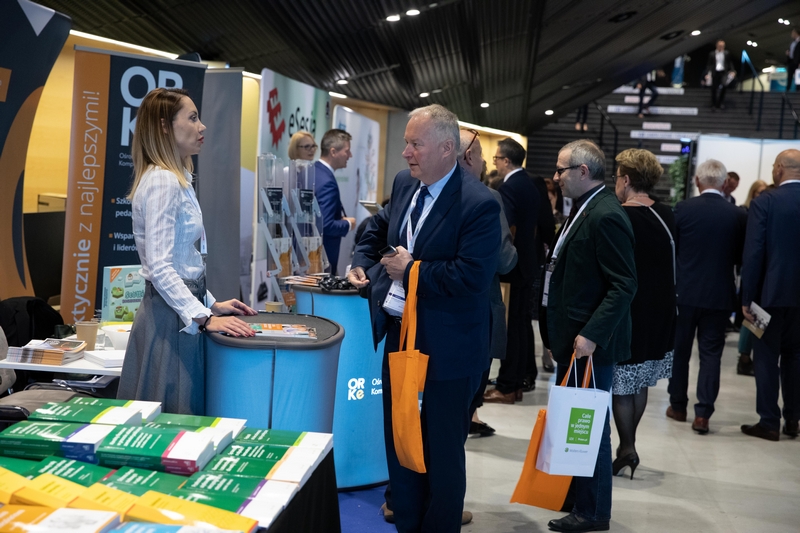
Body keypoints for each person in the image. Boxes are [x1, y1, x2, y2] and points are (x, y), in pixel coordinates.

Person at [348, 104, 500, 532]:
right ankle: (407, 521)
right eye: (406, 143)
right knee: (401, 442)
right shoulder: (405, 184)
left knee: (441, 453)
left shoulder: (479, 204)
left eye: (415, 144)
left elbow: (471, 276)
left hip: (450, 350)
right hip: (401, 339)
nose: (406, 153)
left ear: (447, 149)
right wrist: (361, 260)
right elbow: (378, 227)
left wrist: (412, 271)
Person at [118, 88, 256, 415]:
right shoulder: (163, 181)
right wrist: (204, 317)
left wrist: (211, 303)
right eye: (192, 118)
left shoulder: (176, 178)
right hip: (171, 323)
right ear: (164, 126)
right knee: (172, 424)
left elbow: (183, 261)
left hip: (178, 317)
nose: (202, 126)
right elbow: (160, 268)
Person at [543, 139, 637, 533]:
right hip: (575, 340)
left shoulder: (605, 214)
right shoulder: (586, 207)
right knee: (577, 423)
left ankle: (593, 512)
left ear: (583, 171)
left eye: (561, 169)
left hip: (589, 344)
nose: (556, 177)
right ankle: (578, 499)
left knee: (590, 428)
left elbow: (624, 284)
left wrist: (592, 335)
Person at [667, 159, 747, 434]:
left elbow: (672, 251)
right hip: (719, 295)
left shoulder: (683, 209)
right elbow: (741, 257)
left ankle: (678, 406)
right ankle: (703, 415)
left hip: (685, 293)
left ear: (697, 181)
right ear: (724, 183)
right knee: (711, 355)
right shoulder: (737, 215)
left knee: (680, 351)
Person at [611, 149, 676, 479]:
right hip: (660, 310)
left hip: (629, 310)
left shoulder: (620, 216)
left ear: (626, 179)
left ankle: (627, 447)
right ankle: (629, 445)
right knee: (639, 380)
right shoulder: (667, 213)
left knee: (622, 382)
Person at [458, 128, 517, 437]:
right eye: (483, 156)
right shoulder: (488, 197)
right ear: (470, 157)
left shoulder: (420, 191)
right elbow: (505, 260)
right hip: (478, 312)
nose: (485, 163)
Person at [741, 149, 800, 441]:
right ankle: (793, 419)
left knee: (764, 357)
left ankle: (769, 421)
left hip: (766, 296)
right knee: (796, 356)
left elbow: (754, 252)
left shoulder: (764, 201)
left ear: (779, 168)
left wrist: (746, 298)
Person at [483, 138, 541, 403]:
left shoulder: (509, 187)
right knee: (519, 325)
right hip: (527, 264)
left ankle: (507, 386)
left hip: (513, 267)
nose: (495, 163)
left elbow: (506, 228)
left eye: (496, 158)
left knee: (511, 328)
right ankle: (514, 383)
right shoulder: (529, 184)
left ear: (506, 160)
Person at [314, 129, 356, 275]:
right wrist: (348, 224)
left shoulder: (313, 171)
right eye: (347, 151)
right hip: (321, 261)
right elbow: (325, 225)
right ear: (333, 152)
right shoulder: (327, 182)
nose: (350, 155)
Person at [736, 179, 767, 376]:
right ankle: (745, 356)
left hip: (762, 274)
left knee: (755, 319)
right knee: (753, 319)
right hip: (757, 275)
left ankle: (747, 357)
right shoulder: (747, 212)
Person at [705, 40, 735, 110]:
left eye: (723, 46)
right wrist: (707, 73)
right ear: (717, 46)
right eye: (720, 46)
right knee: (714, 88)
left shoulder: (726, 53)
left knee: (724, 85)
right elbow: (709, 64)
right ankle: (713, 103)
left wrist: (732, 70)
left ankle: (720, 102)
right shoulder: (712, 54)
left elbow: (729, 63)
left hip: (723, 72)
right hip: (715, 72)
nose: (721, 47)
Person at [785, 26, 799, 92]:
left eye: (793, 33)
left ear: (796, 33)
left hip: (797, 63)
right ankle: (787, 91)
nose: (791, 34)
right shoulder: (792, 43)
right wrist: (788, 53)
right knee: (789, 77)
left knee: (797, 78)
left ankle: (798, 91)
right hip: (791, 61)